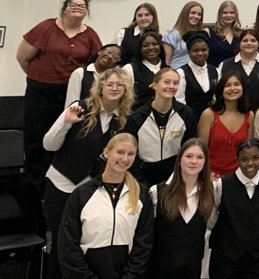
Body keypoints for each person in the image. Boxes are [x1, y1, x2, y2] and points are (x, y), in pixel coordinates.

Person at [42, 68, 133, 278]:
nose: (114, 88)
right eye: (110, 84)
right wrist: (66, 123)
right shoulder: (79, 108)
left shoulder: (122, 120)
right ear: (100, 87)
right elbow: (48, 144)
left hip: (90, 189)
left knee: (84, 243)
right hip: (61, 183)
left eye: (120, 85)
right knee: (61, 243)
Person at [18, 0, 103, 184]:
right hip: (41, 92)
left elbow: (96, 65)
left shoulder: (90, 35)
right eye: (73, 5)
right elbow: (22, 57)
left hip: (71, 93)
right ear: (64, 9)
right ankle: (33, 183)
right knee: (36, 138)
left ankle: (55, 183)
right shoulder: (46, 27)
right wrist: (39, 76)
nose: (77, 9)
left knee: (64, 135)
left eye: (82, 6)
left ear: (86, 11)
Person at [58, 133, 153, 278]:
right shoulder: (81, 194)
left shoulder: (142, 194)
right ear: (106, 152)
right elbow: (68, 245)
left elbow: (143, 243)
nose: (125, 158)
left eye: (131, 154)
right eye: (120, 152)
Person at [148, 139, 214, 279]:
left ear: (205, 162)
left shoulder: (211, 193)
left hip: (192, 270)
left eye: (200, 157)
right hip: (159, 270)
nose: (194, 161)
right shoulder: (157, 192)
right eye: (189, 156)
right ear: (179, 160)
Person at [209, 138, 259, 279]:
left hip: (255, 258)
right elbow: (211, 219)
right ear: (237, 159)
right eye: (244, 159)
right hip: (225, 256)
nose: (250, 163)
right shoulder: (221, 185)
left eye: (255, 158)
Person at [124, 68, 198, 186]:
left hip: (176, 178)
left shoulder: (186, 113)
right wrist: (142, 184)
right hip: (144, 178)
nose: (171, 86)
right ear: (154, 85)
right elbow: (128, 154)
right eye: (167, 82)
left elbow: (190, 147)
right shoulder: (137, 117)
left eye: (175, 83)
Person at [199, 72, 254, 177]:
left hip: (239, 175)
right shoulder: (209, 114)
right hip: (211, 175)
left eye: (237, 84)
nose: (232, 88)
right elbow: (201, 150)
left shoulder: (249, 115)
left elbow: (248, 150)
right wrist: (206, 174)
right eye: (227, 85)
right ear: (221, 90)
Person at [219, 29, 259, 110]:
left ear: (258, 43)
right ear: (239, 44)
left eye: (253, 40)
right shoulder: (225, 65)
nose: (249, 43)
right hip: (233, 114)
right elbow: (219, 91)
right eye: (245, 41)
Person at [175, 31, 219, 119]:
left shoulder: (215, 70)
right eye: (195, 50)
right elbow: (179, 101)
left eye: (204, 50)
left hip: (212, 118)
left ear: (208, 50)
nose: (200, 53)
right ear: (189, 52)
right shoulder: (181, 72)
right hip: (190, 118)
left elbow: (217, 97)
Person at [123, 30, 169, 108]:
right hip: (137, 116)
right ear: (140, 49)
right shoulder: (129, 69)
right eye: (145, 45)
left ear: (160, 46)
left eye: (155, 44)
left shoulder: (168, 70)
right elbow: (125, 98)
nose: (151, 48)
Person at [163, 1, 206, 68]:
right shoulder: (172, 34)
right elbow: (166, 62)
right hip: (177, 72)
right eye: (193, 13)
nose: (196, 16)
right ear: (185, 13)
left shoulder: (201, 34)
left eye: (199, 14)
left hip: (197, 72)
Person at [207, 0, 242, 66]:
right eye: (225, 13)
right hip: (215, 73)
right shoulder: (209, 32)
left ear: (236, 15)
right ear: (220, 15)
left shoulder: (241, 34)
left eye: (232, 12)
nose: (228, 15)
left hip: (236, 73)